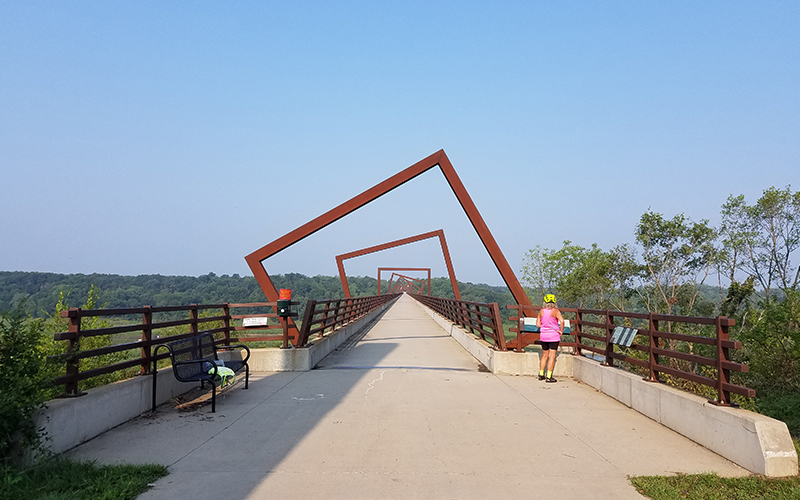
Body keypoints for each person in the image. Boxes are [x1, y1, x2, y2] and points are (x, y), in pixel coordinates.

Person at [537, 294, 564, 383]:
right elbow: (562, 321)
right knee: (552, 357)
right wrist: (561, 330)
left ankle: (541, 374)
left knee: (544, 355)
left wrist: (545, 326)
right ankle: (549, 376)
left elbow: (538, 324)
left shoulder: (541, 311)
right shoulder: (555, 311)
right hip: (553, 336)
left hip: (544, 335)